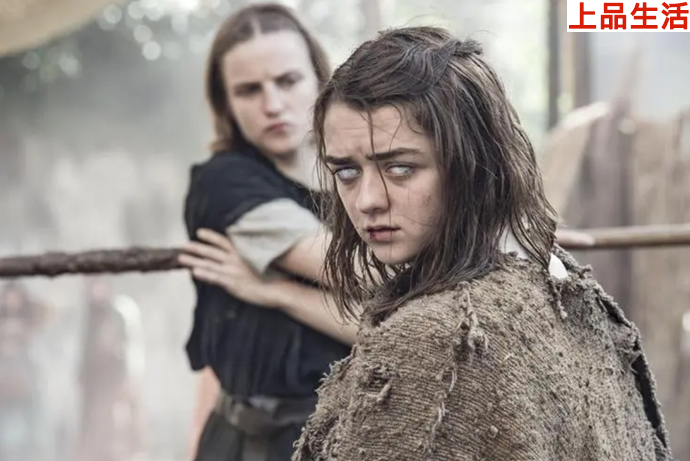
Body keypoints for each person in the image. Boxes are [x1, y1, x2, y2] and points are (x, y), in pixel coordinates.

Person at [182, 26, 675, 460]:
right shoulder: (561, 289)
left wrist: (275, 292)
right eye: (346, 173)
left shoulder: (440, 333)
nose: (367, 201)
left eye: (401, 168)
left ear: (472, 166)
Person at [178, 4, 353, 461]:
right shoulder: (225, 182)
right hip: (251, 444)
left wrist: (277, 292)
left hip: (354, 435)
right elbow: (360, 274)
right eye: (249, 90)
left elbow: (400, 328)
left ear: (319, 79)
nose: (272, 105)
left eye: (288, 81)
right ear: (227, 104)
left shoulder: (360, 177)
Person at [77, 277, 145, 461]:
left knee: (119, 427)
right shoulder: (89, 315)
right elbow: (85, 352)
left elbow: (130, 348)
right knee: (97, 431)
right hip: (94, 385)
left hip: (116, 381)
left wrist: (130, 379)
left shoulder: (120, 313)